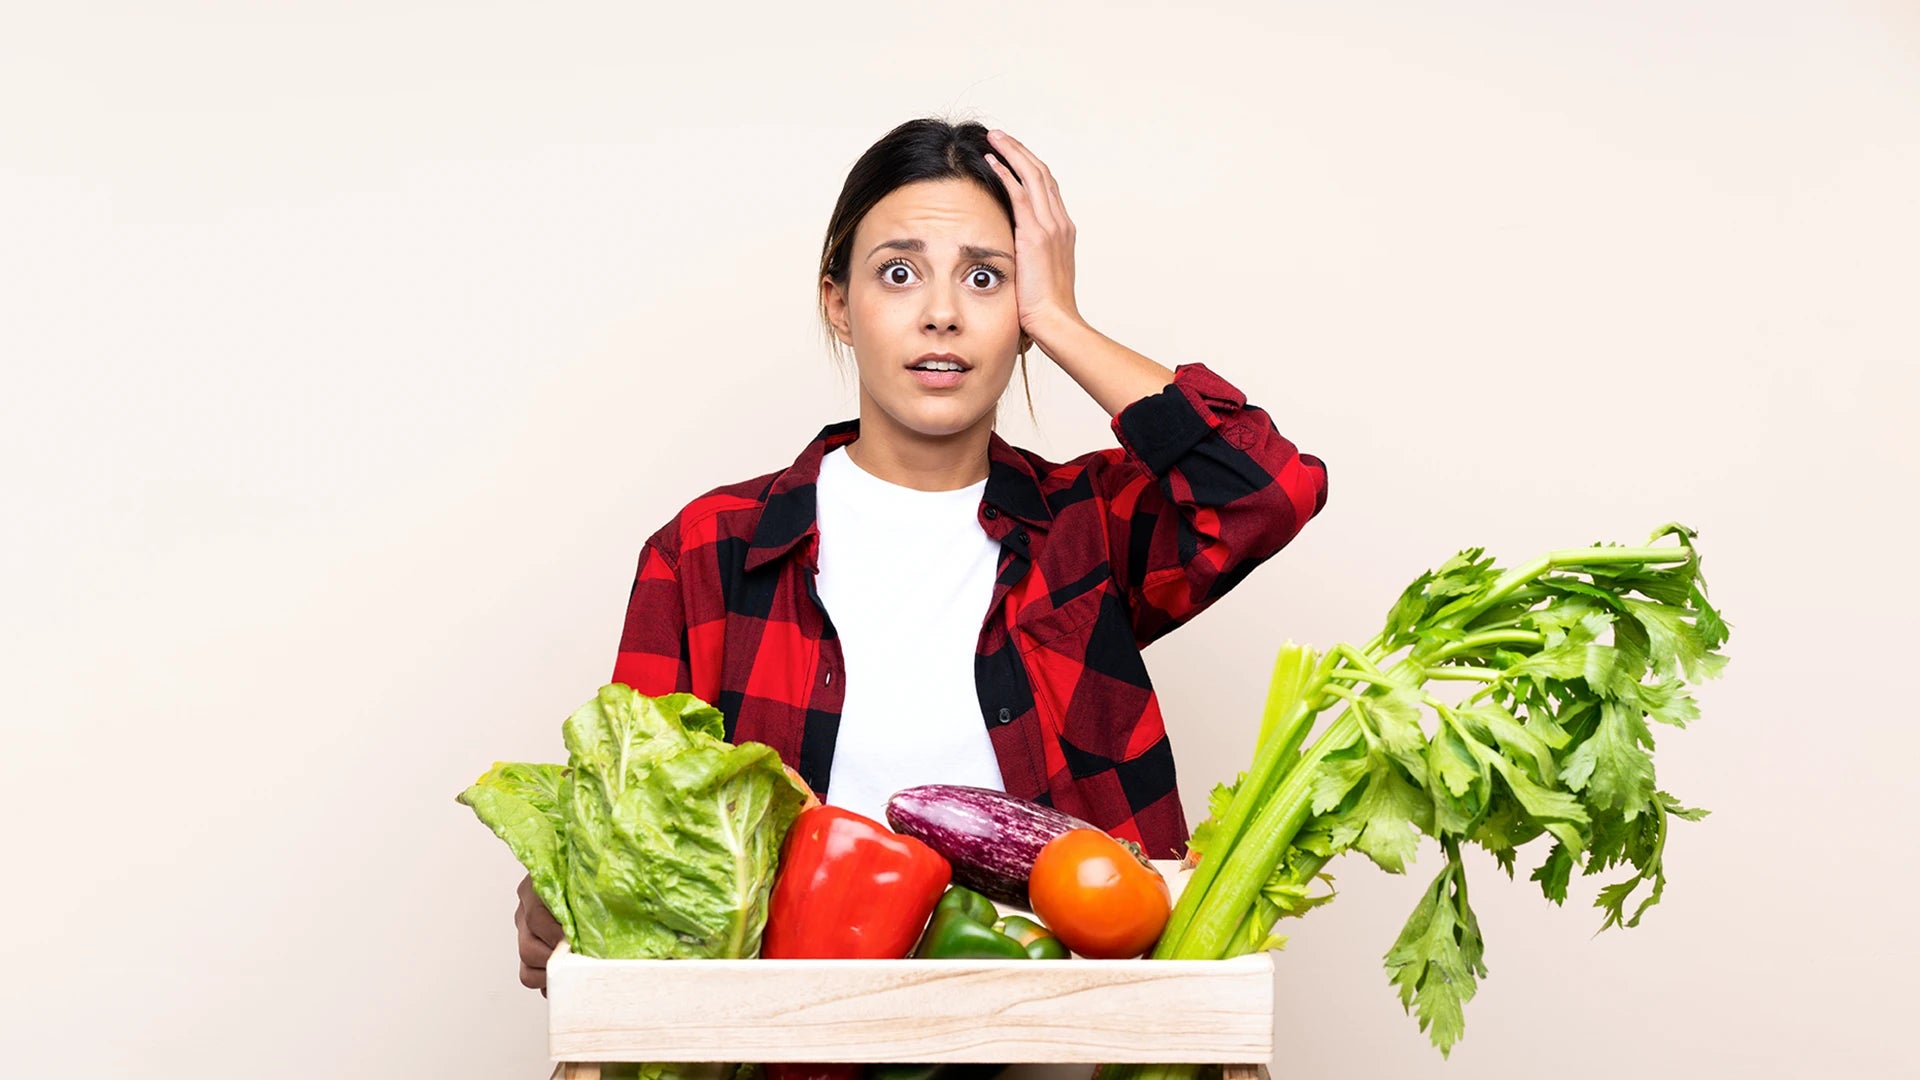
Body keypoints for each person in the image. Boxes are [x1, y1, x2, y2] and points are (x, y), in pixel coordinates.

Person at [513, 118, 1330, 992]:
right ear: (837, 302)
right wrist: (567, 885)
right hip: (787, 1040)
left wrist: (1061, 317)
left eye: (987, 278)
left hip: (1068, 1038)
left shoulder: (1084, 530)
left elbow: (1266, 492)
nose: (941, 313)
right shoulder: (707, 552)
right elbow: (634, 812)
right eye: (897, 273)